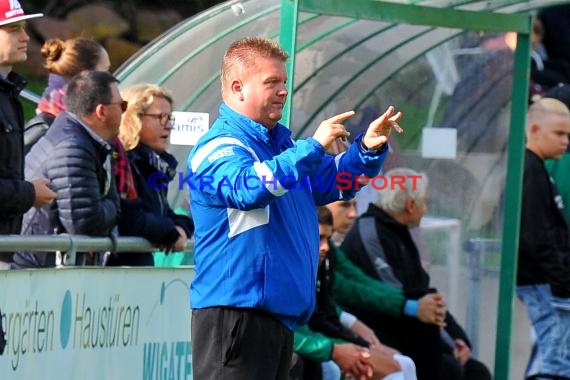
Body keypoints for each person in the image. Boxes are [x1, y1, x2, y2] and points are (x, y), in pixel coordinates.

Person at [187, 36, 402, 380]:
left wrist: (366, 149)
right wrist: (313, 145)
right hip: (236, 318)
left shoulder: (281, 146)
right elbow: (249, 189)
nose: (283, 91)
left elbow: (335, 181)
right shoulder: (218, 146)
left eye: (284, 82)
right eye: (272, 82)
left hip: (277, 320)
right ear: (238, 88)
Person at [340, 168, 491, 380]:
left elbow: (425, 293)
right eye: (425, 202)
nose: (426, 208)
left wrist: (457, 338)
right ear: (411, 205)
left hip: (408, 329)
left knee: (476, 372)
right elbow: (394, 296)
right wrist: (446, 342)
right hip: (378, 331)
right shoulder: (370, 232)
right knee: (448, 367)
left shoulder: (401, 233)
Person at [12, 71, 122, 268]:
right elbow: (84, 222)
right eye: (122, 105)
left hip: (41, 267)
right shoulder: (73, 148)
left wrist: (108, 204)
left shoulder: (89, 143)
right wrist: (113, 205)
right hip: (33, 273)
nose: (124, 112)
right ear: (101, 112)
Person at [293, 206, 417, 380]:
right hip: (313, 351)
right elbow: (347, 289)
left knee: (404, 363)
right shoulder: (287, 270)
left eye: (328, 238)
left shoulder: (322, 258)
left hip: (322, 342)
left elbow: (353, 282)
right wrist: (336, 349)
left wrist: (409, 303)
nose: (353, 213)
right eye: (345, 204)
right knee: (393, 368)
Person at [516, 98, 570, 379]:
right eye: (559, 134)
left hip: (546, 282)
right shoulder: (530, 171)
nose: (565, 141)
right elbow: (534, 236)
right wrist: (562, 281)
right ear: (534, 130)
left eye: (568, 135)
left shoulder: (536, 168)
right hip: (541, 283)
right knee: (554, 364)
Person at [0, 0, 56, 268]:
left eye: (23, 28)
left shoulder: (8, 94)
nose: (25, 37)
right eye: (12, 29)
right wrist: (28, 193)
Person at [112, 83, 194, 266]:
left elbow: (164, 213)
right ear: (134, 119)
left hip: (138, 269)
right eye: (161, 117)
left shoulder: (154, 165)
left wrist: (181, 227)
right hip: (116, 273)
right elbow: (132, 219)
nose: (170, 126)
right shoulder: (122, 163)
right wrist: (172, 234)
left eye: (170, 117)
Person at [24, 36, 111, 152]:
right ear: (84, 78)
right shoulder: (44, 132)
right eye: (105, 71)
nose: (111, 78)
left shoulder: (88, 124)